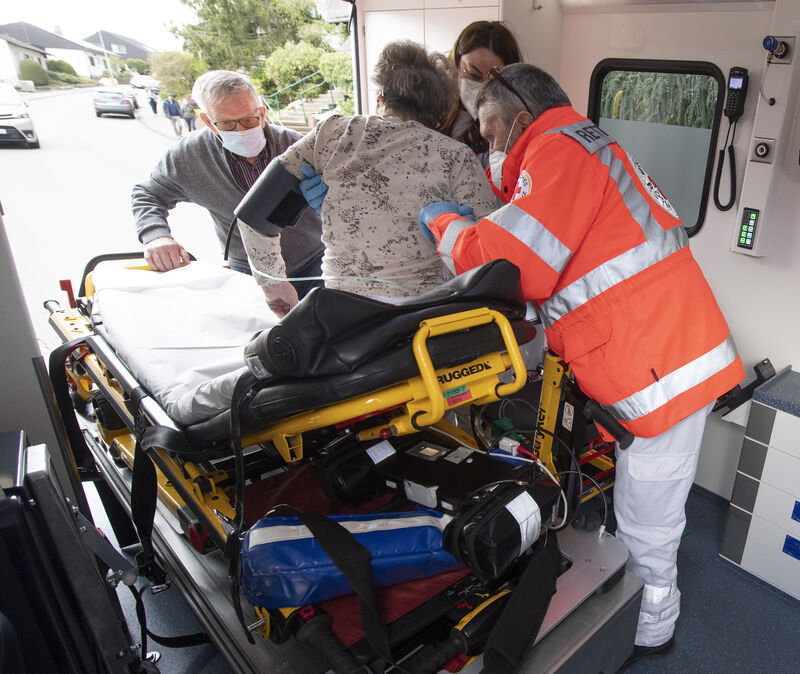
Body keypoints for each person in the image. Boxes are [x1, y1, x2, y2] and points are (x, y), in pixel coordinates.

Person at [420, 64, 743, 669]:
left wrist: (447, 226)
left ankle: (651, 630)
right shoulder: (589, 146)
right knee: (646, 499)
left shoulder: (558, 151)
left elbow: (517, 264)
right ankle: (636, 599)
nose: (489, 148)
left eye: (490, 133)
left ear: (521, 117)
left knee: (650, 514)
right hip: (662, 350)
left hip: (662, 369)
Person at [239, 41, 498, 316]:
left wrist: (276, 288)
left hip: (342, 313)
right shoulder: (455, 156)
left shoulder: (330, 133)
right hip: (424, 316)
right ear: (439, 116)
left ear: (381, 98)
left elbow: (255, 216)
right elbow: (490, 252)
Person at [131, 70, 324, 299]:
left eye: (249, 120)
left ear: (262, 113)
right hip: (249, 274)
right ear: (208, 122)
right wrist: (156, 235)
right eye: (227, 124)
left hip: (313, 264)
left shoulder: (297, 146)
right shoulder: (189, 156)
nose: (241, 130)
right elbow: (147, 193)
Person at [446, 21, 522, 164]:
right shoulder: (432, 111)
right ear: (456, 63)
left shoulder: (508, 130)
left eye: (492, 81)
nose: (481, 89)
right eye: (473, 75)